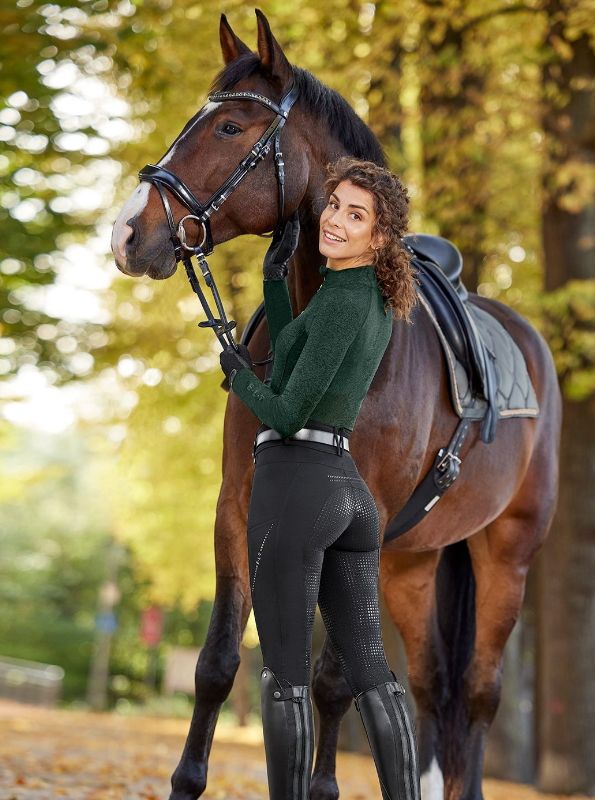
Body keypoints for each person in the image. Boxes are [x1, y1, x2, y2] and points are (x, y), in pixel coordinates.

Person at [219, 157, 420, 800]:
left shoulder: (344, 302)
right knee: (371, 671)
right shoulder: (358, 295)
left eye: (355, 215)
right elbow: (299, 363)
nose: (334, 220)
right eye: (334, 205)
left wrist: (236, 372)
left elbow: (281, 407)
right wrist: (276, 287)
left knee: (285, 674)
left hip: (298, 489)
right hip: (343, 494)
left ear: (379, 237)